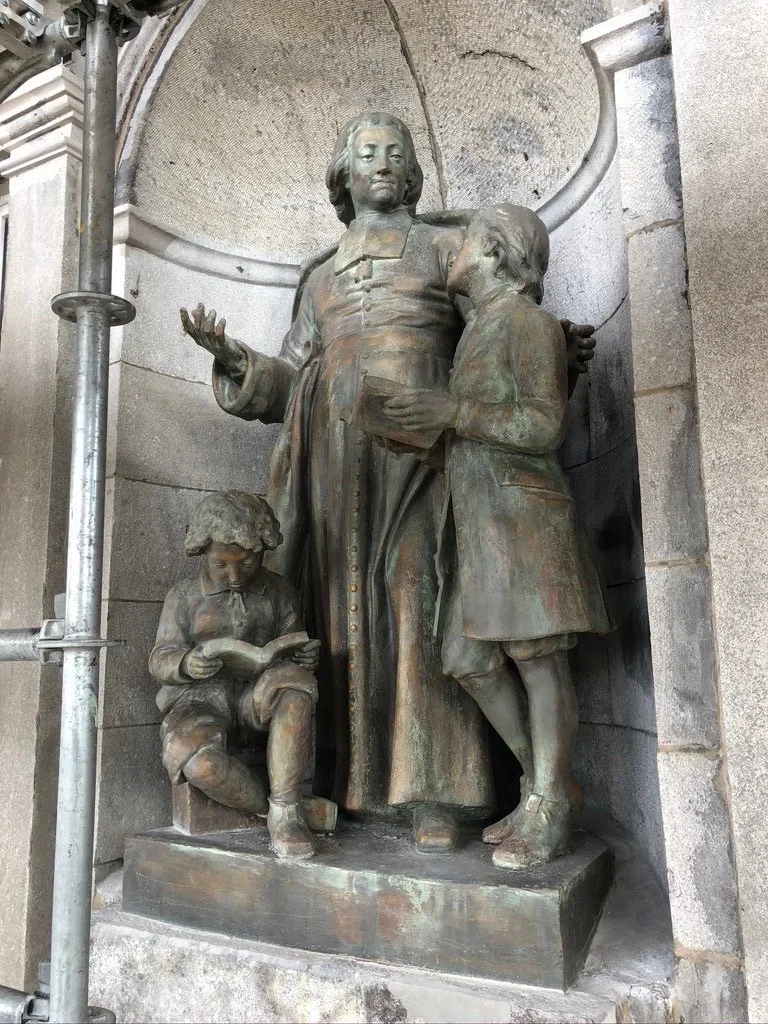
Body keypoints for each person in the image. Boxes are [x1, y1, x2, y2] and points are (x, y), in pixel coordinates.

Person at [180, 113, 596, 851]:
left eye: (395, 153)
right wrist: (236, 360)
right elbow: (292, 376)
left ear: (412, 174)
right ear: (343, 172)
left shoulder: (446, 245)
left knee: (419, 600)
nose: (382, 162)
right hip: (334, 464)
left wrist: (555, 350)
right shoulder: (318, 275)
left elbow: (502, 326)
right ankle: (344, 784)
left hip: (429, 455)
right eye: (367, 152)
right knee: (341, 617)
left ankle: (438, 791)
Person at [385, 204, 610, 867]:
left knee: (537, 655)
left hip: (524, 517)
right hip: (480, 522)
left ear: (494, 251)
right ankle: (547, 786)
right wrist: (417, 431)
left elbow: (543, 427)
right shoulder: (477, 333)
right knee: (467, 658)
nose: (448, 254)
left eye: (459, 244)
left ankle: (548, 806)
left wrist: (450, 411)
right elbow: (482, 428)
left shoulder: (529, 324)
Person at [149, 490, 323, 859]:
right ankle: (280, 807)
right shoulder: (182, 596)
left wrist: (304, 656)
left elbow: (289, 644)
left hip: (255, 697)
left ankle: (288, 815)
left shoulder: (280, 592)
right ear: (203, 553)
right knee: (197, 762)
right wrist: (186, 664)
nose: (234, 575)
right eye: (221, 565)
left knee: (295, 687)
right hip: (199, 700)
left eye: (247, 564)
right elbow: (160, 657)